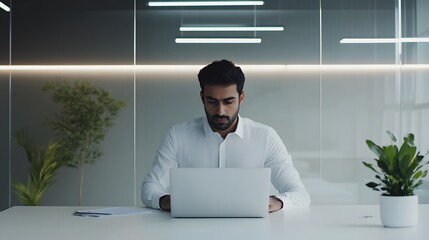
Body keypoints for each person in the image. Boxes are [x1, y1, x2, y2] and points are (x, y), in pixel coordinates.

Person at [141, 59, 310, 213]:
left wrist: (277, 202)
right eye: (212, 101)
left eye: (228, 101)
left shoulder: (265, 136)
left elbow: (299, 194)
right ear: (202, 98)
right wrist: (168, 201)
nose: (220, 111)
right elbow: (150, 188)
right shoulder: (178, 136)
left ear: (241, 98)